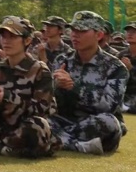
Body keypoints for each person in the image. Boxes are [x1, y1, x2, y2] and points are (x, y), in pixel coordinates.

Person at [49, 10, 128, 154]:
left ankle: (59, 140)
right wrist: (56, 86)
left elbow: (108, 106)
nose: (75, 35)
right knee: (39, 121)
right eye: (73, 30)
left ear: (99, 35)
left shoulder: (115, 67)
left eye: (82, 30)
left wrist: (74, 87)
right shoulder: (62, 60)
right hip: (64, 120)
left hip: (93, 122)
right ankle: (79, 145)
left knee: (109, 123)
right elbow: (49, 100)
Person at [0, 16, 56, 158]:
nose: (6, 41)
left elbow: (41, 109)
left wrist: (7, 97)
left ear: (27, 40)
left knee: (38, 125)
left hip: (24, 127)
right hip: (0, 126)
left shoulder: (39, 70)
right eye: (3, 36)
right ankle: (4, 147)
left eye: (12, 37)